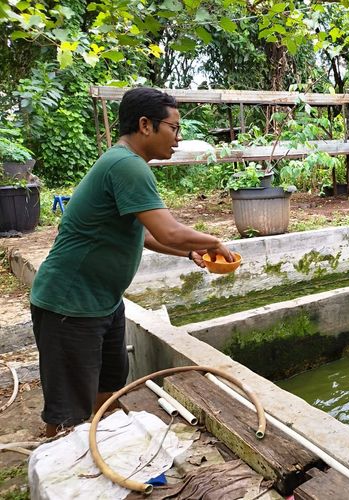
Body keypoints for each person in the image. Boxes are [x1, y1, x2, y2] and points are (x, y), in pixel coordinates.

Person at [29, 87, 234, 437]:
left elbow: (145, 234)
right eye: (174, 128)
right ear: (145, 125)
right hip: (71, 305)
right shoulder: (126, 166)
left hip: (103, 302)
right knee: (67, 415)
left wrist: (188, 252)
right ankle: (63, 470)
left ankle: (105, 453)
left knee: (106, 392)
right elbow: (168, 231)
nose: (178, 139)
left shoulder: (124, 163)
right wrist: (213, 241)